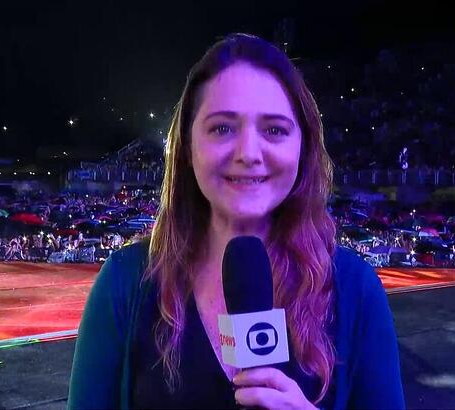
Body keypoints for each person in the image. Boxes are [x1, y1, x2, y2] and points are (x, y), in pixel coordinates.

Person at [68, 33, 404, 410]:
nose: (248, 153)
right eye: (222, 128)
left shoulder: (356, 289)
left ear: (303, 148)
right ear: (187, 146)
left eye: (274, 130)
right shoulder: (124, 283)